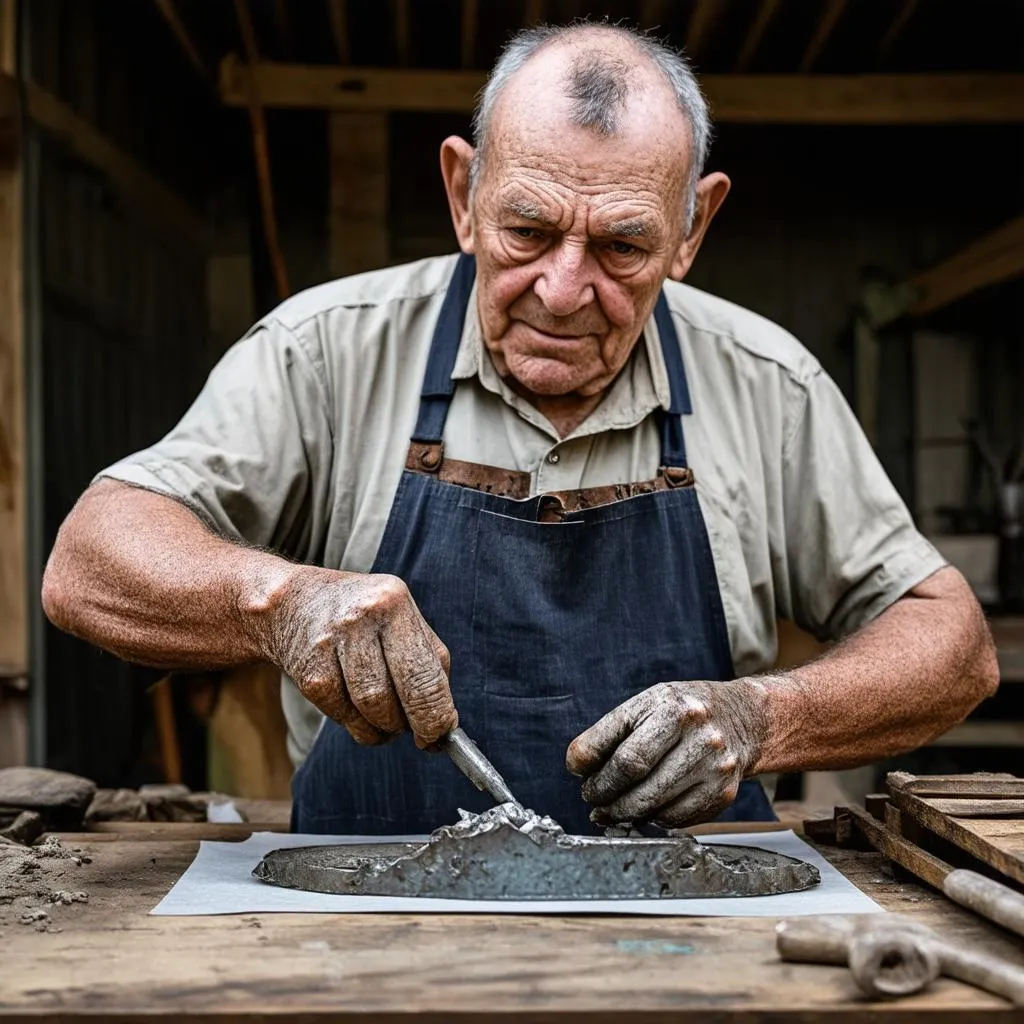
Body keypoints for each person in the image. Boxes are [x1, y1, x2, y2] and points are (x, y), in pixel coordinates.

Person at [41, 22, 998, 835]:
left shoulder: (768, 384)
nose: (563, 288)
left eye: (624, 246)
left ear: (693, 228)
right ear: (464, 195)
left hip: (697, 947)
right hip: (360, 932)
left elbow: (953, 643)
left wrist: (762, 719)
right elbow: (90, 558)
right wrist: (279, 601)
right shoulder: (324, 352)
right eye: (527, 231)